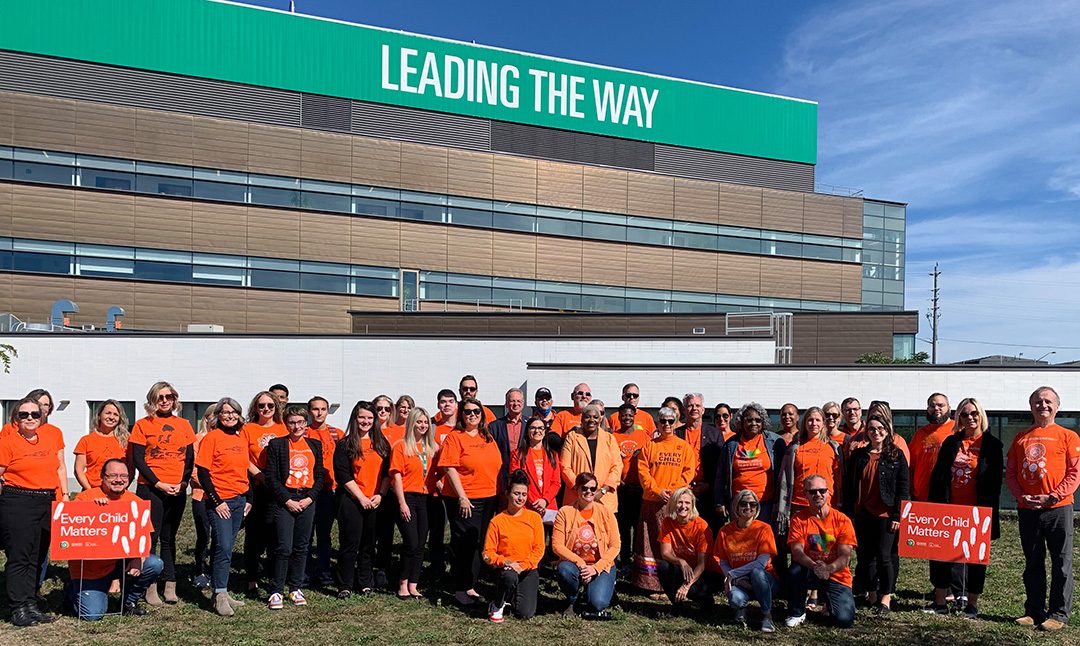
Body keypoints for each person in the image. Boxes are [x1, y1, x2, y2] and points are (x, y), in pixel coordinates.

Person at [1005, 386, 1079, 631]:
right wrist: (1021, 496)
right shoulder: (1020, 437)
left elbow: (1075, 473)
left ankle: (1059, 614)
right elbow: (1012, 473)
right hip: (1028, 509)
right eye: (1037, 402)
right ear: (1030, 407)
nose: (1042, 406)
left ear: (1057, 406)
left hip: (1059, 509)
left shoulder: (1069, 436)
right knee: (1033, 562)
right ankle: (1034, 611)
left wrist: (1053, 496)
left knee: (1061, 563)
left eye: (1048, 401)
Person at [927, 397, 1003, 619]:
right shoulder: (951, 443)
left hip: (978, 512)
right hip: (948, 511)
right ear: (958, 417)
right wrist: (935, 508)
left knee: (976, 560)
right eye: (964, 414)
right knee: (941, 556)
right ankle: (940, 601)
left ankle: (972, 604)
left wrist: (985, 514)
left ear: (981, 416)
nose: (970, 418)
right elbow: (938, 477)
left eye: (974, 414)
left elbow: (995, 483)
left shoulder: (993, 445)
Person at [66, 459, 163, 620]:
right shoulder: (85, 498)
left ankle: (128, 602)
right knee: (92, 615)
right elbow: (72, 537)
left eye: (123, 476)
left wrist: (139, 558)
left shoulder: (135, 502)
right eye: (113, 475)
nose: (119, 480)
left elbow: (145, 537)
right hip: (92, 571)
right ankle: (73, 591)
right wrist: (91, 510)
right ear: (102, 477)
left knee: (154, 563)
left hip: (121, 563)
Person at [0, 397, 64, 626]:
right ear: (16, 418)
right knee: (20, 557)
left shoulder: (47, 438)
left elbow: (58, 468)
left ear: (42, 416)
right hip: (18, 500)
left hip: (46, 500)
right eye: (24, 414)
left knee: (37, 556)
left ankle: (30, 603)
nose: (29, 418)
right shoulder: (7, 441)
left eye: (34, 414)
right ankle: (17, 607)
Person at [130, 381, 195, 606]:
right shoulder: (142, 425)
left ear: (175, 400)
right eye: (160, 397)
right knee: (151, 537)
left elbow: (189, 459)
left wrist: (184, 482)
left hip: (176, 489)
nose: (165, 400)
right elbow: (138, 458)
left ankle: (170, 584)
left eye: (169, 396)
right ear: (153, 400)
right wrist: (157, 483)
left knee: (169, 537)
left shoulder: (184, 425)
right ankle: (150, 585)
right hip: (150, 488)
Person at [436, 397, 502, 607]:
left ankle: (470, 585)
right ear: (461, 415)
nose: (472, 415)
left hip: (488, 497)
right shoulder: (455, 437)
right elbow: (449, 467)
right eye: (467, 412)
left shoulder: (487, 437)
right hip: (465, 499)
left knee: (478, 543)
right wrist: (462, 496)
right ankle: (459, 588)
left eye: (476, 411)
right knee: (464, 543)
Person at [842, 412, 909, 615]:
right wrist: (849, 512)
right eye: (872, 429)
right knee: (865, 556)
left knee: (884, 556)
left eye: (880, 429)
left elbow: (904, 488)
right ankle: (871, 593)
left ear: (887, 430)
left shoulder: (896, 455)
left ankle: (885, 598)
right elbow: (850, 486)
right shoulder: (859, 455)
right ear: (866, 431)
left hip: (886, 514)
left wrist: (898, 515)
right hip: (862, 513)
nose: (876, 432)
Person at [196, 397, 253, 617]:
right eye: (225, 412)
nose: (229, 415)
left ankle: (222, 590)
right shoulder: (212, 438)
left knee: (227, 548)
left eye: (234, 412)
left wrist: (248, 497)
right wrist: (217, 501)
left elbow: (243, 470)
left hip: (239, 500)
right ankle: (219, 595)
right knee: (223, 545)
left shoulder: (240, 438)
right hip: (221, 502)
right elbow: (202, 472)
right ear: (218, 415)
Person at [264, 405, 325, 610]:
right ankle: (276, 590)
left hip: (306, 500)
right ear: (286, 424)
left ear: (306, 424)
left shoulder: (314, 445)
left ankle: (296, 587)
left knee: (302, 547)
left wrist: (309, 499)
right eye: (292, 422)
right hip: (285, 500)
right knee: (283, 547)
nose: (296, 426)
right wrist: (287, 500)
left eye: (300, 422)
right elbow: (271, 477)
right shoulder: (277, 445)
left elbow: (319, 477)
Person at [634, 406, 696, 592]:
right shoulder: (650, 446)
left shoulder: (684, 447)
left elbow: (688, 471)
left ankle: (672, 582)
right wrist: (657, 490)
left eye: (671, 421)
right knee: (650, 543)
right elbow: (643, 472)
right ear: (658, 423)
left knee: (672, 544)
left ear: (676, 423)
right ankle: (650, 584)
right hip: (652, 502)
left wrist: (674, 491)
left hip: (675, 504)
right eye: (663, 421)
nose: (667, 424)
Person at [785, 474, 857, 629]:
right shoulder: (798, 519)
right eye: (812, 491)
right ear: (805, 494)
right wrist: (815, 566)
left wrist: (828, 568)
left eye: (822, 490)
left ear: (828, 492)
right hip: (810, 570)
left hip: (836, 573)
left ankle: (830, 602)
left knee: (844, 620)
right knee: (794, 570)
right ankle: (797, 612)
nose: (818, 494)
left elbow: (845, 556)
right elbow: (796, 551)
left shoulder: (843, 520)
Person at [334, 401, 390, 599]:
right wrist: (361, 498)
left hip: (375, 501)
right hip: (351, 500)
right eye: (362, 417)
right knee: (350, 544)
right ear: (355, 418)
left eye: (369, 418)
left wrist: (380, 495)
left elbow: (387, 473)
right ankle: (345, 584)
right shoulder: (345, 444)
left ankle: (365, 582)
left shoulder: (382, 444)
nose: (365, 421)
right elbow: (343, 475)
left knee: (368, 545)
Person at [552, 472, 620, 619]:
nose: (588, 492)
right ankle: (572, 599)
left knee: (597, 604)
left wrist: (595, 568)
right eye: (584, 488)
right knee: (564, 570)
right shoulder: (565, 512)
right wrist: (581, 563)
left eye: (592, 488)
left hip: (600, 565)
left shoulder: (606, 512)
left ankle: (603, 587)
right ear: (577, 489)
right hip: (575, 565)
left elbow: (615, 546)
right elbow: (557, 545)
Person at [712, 489, 779, 633]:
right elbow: (721, 560)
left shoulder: (764, 529)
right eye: (743, 504)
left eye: (753, 504)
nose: (748, 507)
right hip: (739, 580)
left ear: (757, 508)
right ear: (736, 507)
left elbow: (761, 563)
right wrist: (736, 579)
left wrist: (733, 575)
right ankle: (741, 609)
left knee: (757, 572)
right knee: (736, 598)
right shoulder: (725, 531)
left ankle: (767, 616)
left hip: (764, 580)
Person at [482, 469, 545, 622]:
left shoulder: (534, 518)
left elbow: (539, 548)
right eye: (516, 493)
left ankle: (511, 594)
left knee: (525, 613)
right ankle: (497, 604)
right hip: (507, 569)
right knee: (509, 577)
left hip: (528, 569)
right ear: (507, 493)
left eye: (524, 494)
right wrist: (505, 562)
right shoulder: (497, 521)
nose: (520, 498)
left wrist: (523, 566)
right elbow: (487, 553)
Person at [241, 390, 288, 597]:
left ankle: (273, 577)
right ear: (255, 408)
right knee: (253, 535)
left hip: (279, 489)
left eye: (270, 405)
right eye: (262, 406)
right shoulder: (248, 429)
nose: (266, 409)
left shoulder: (284, 428)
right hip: (257, 487)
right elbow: (244, 457)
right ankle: (251, 578)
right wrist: (261, 476)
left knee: (275, 535)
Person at [390, 407, 437, 599]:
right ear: (411, 424)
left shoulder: (432, 448)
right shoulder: (401, 446)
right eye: (419, 422)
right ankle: (402, 583)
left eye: (425, 422)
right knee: (410, 542)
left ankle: (413, 584)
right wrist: (402, 503)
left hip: (425, 499)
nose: (423, 426)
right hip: (407, 497)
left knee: (420, 544)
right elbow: (396, 476)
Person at [715, 403, 786, 524]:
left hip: (765, 504)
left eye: (758, 420)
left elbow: (783, 473)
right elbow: (720, 475)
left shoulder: (774, 442)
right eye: (749, 420)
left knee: (762, 538)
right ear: (741, 422)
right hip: (738, 504)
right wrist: (719, 502)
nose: (754, 423)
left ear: (763, 422)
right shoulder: (731, 444)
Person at [778, 407, 843, 534]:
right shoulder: (795, 447)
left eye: (818, 420)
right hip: (800, 503)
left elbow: (838, 478)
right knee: (801, 545)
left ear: (823, 423)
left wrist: (839, 502)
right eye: (810, 420)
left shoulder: (833, 447)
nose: (814, 423)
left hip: (826, 504)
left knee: (823, 545)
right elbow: (785, 476)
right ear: (804, 423)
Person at [656, 487, 715, 610]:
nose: (683, 506)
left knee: (693, 590)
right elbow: (665, 553)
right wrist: (681, 562)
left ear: (692, 505)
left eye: (687, 503)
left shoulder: (701, 526)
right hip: (683, 568)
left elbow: (702, 564)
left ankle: (706, 600)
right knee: (663, 567)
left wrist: (686, 586)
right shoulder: (668, 522)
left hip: (703, 572)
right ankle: (677, 605)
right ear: (673, 504)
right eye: (680, 502)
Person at [305, 395, 342, 588]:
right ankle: (304, 571)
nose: (319, 413)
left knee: (324, 533)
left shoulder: (337, 434)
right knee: (306, 533)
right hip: (308, 491)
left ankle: (324, 569)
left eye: (323, 409)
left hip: (329, 489)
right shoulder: (303, 433)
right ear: (309, 411)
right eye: (315, 409)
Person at [560, 403, 622, 513]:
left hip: (604, 498)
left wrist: (603, 490)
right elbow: (565, 466)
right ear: (582, 419)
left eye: (595, 417)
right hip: (577, 497)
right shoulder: (572, 437)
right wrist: (580, 489)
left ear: (600, 420)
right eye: (588, 416)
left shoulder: (609, 439)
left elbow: (617, 466)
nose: (591, 420)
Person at [677, 393, 723, 529]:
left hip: (707, 491)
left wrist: (709, 485)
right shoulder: (677, 433)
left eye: (697, 405)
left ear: (703, 409)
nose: (694, 408)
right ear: (684, 410)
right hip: (683, 490)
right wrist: (683, 485)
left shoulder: (714, 434)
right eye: (690, 405)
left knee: (707, 530)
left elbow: (720, 465)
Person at [613, 403, 651, 568]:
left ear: (634, 416)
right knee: (622, 526)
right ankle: (624, 559)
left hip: (639, 489)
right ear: (619, 417)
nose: (627, 418)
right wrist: (617, 481)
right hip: (620, 488)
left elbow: (650, 460)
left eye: (630, 415)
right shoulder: (613, 437)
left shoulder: (643, 436)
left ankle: (638, 560)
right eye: (624, 415)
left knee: (638, 526)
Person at [372, 393, 402, 587]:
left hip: (390, 488)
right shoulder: (367, 429)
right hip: (369, 487)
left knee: (386, 531)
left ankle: (383, 567)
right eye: (379, 408)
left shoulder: (399, 431)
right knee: (368, 531)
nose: (383, 412)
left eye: (387, 409)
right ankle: (366, 566)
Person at [509, 416, 561, 520]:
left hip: (548, 506)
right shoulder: (517, 455)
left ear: (545, 431)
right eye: (533, 428)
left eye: (541, 428)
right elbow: (516, 482)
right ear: (527, 431)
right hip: (527, 505)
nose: (537, 431)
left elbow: (556, 482)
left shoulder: (552, 455)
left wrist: (545, 500)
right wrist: (534, 501)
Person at [74, 400, 129, 491]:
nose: (111, 417)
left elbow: (130, 468)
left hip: (117, 491)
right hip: (92, 490)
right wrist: (91, 491)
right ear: (99, 415)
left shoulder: (126, 441)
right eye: (108, 413)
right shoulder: (86, 440)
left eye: (115, 414)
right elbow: (78, 470)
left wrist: (121, 488)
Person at [910, 393, 954, 503]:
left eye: (941, 405)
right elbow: (911, 465)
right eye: (932, 406)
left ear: (949, 408)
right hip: (921, 496)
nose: (936, 409)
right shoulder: (920, 434)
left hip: (949, 497)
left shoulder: (957, 429)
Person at [190, 407, 215, 590]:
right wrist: (213, 486)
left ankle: (216, 570)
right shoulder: (197, 440)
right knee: (204, 535)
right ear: (205, 418)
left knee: (221, 537)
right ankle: (200, 570)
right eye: (211, 416)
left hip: (224, 496)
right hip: (201, 495)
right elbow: (194, 471)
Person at [490, 388, 527, 489]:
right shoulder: (494, 427)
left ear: (523, 404)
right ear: (506, 404)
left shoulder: (530, 425)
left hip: (525, 476)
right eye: (512, 401)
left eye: (518, 401)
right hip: (501, 476)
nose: (516, 404)